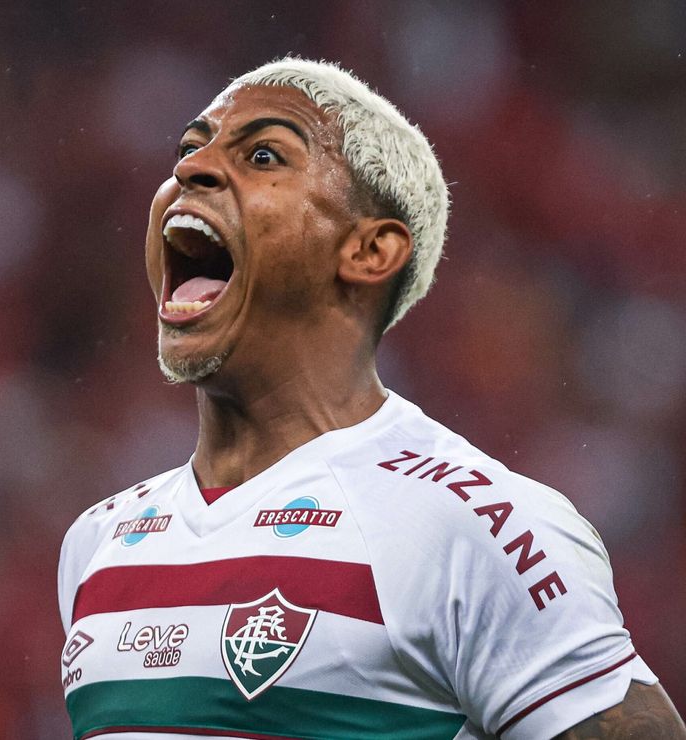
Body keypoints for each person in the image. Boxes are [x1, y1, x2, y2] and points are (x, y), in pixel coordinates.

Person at [56, 57, 686, 740]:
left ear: (369, 251)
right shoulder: (99, 543)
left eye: (264, 155)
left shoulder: (475, 527)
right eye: (188, 148)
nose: (191, 169)